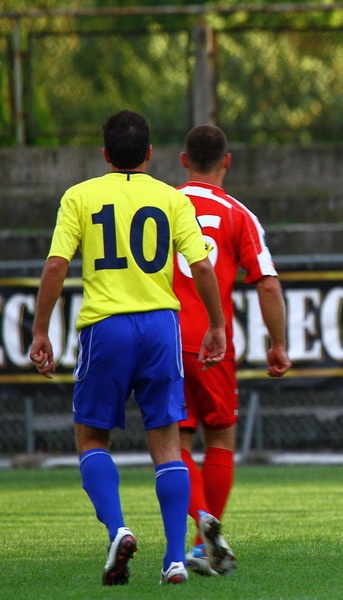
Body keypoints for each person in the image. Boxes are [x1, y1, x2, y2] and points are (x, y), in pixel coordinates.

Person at [28, 110, 227, 585]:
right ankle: (176, 557)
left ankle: (118, 529)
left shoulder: (80, 196)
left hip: (106, 328)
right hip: (162, 327)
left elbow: (56, 265)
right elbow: (201, 267)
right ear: (150, 153)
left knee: (92, 438)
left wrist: (40, 331)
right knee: (166, 442)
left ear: (104, 154)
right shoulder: (170, 198)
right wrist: (217, 324)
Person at [173, 124, 292, 576]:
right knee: (219, 438)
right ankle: (205, 543)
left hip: (161, 338)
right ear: (227, 161)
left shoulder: (162, 204)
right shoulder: (238, 214)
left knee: (173, 441)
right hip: (214, 340)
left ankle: (201, 522)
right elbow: (266, 283)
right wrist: (277, 344)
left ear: (183, 160)